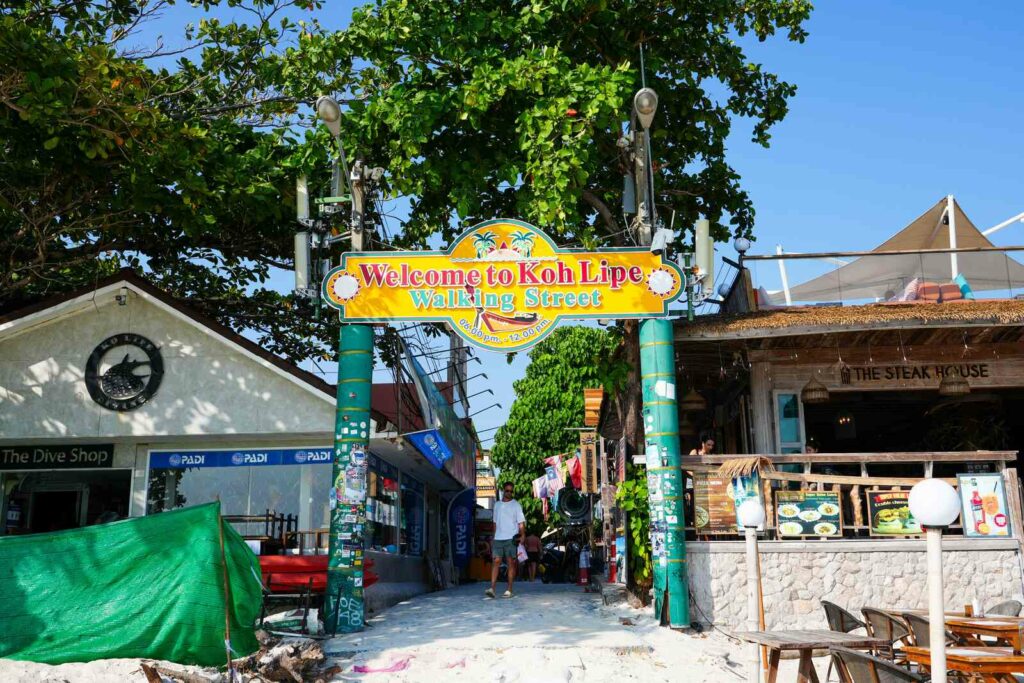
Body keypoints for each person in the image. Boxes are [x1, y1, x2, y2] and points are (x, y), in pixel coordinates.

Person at [487, 481, 526, 599]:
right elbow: (494, 522)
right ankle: (492, 589)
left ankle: (509, 589)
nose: (509, 493)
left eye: (511, 491)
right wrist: (493, 537)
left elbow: (521, 522)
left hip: (511, 538)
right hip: (498, 538)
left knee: (510, 563)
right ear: (503, 490)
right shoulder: (497, 505)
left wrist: (522, 535)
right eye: (507, 490)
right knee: (496, 562)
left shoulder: (516, 505)